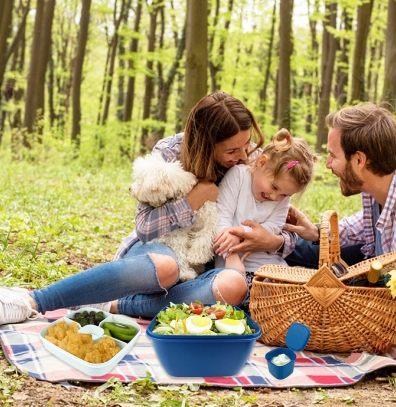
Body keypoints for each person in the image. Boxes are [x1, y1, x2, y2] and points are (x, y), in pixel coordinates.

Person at [0, 92, 297, 324]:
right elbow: (145, 228)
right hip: (158, 256)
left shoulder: (256, 163)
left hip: (204, 274)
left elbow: (288, 218)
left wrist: (276, 241)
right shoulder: (169, 153)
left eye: (246, 145)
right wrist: (197, 198)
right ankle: (33, 301)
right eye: (232, 150)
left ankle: (113, 304)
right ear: (205, 143)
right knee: (168, 268)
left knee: (235, 287)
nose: (244, 155)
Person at [228, 103, 396, 348]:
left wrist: (349, 326)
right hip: (380, 259)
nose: (327, 164)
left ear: (359, 160)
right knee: (303, 254)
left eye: (333, 155)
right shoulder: (387, 168)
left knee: (309, 273)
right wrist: (316, 233)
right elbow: (371, 225)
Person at [213, 128, 317, 309]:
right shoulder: (238, 176)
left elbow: (274, 226)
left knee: (306, 293)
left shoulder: (282, 197)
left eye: (284, 194)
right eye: (274, 187)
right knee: (255, 298)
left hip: (271, 266)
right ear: (262, 162)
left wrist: (240, 232)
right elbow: (220, 218)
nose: (276, 197)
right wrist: (231, 255)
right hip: (236, 265)